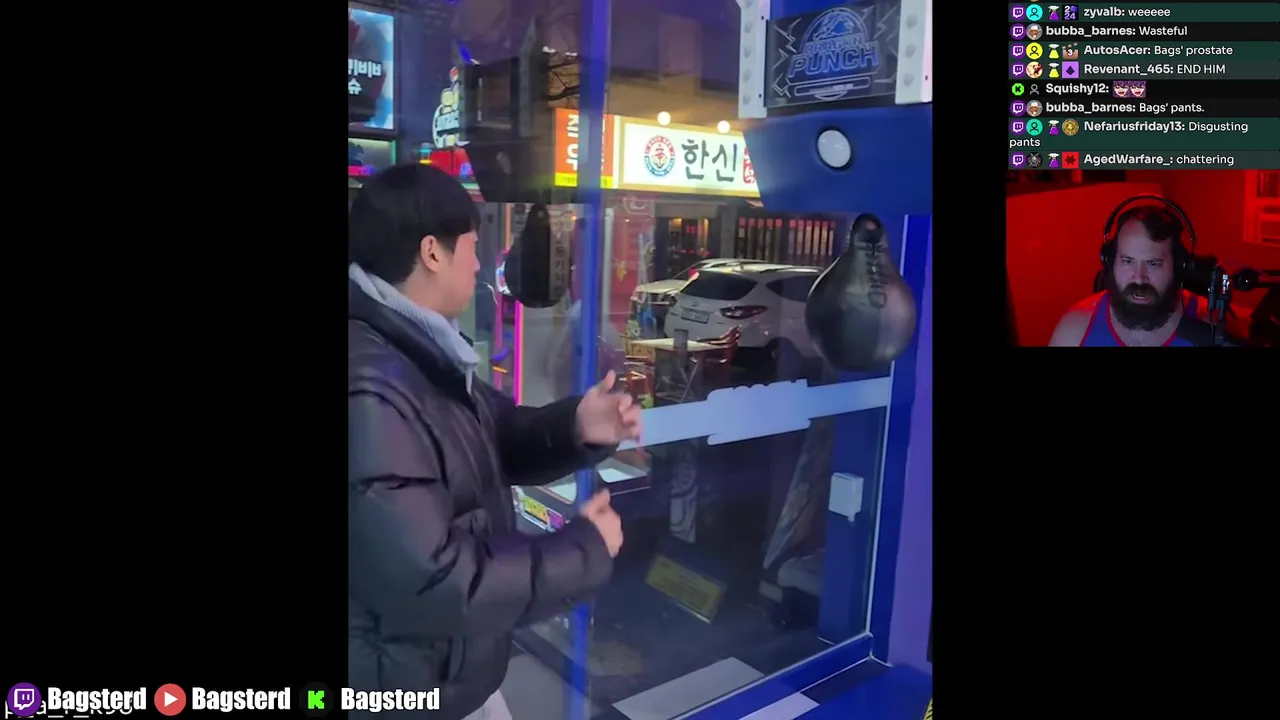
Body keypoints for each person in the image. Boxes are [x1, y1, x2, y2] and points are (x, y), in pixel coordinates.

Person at [348, 164, 641, 720]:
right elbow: (435, 581)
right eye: (471, 246)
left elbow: (490, 434)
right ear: (432, 253)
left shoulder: (411, 348)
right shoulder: (370, 386)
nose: (479, 264)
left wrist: (576, 426)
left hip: (447, 675)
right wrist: (583, 550)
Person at [1048, 205, 1209, 346]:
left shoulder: (1211, 323)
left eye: (1153, 264)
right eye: (1127, 261)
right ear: (1111, 262)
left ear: (1178, 266)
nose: (1139, 278)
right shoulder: (1074, 329)